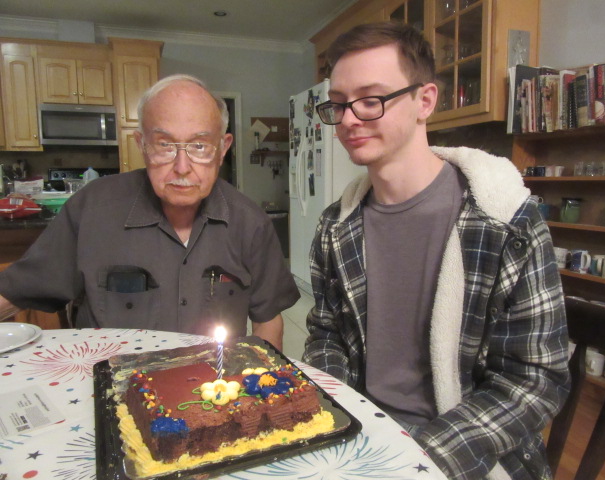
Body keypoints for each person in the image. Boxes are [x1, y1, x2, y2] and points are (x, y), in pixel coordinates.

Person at [302, 22, 569, 480]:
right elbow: (326, 335)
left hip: (468, 451)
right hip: (359, 434)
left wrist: (414, 461)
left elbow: (535, 380)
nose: (347, 120)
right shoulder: (335, 226)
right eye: (339, 103)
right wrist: (334, 415)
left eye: (370, 100)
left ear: (425, 101)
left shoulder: (506, 221)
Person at [0, 74, 299, 350]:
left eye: (199, 146)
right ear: (142, 145)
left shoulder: (251, 223)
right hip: (111, 383)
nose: (182, 167)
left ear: (222, 149)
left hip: (213, 386)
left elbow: (268, 321)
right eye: (165, 145)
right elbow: (14, 293)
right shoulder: (92, 210)